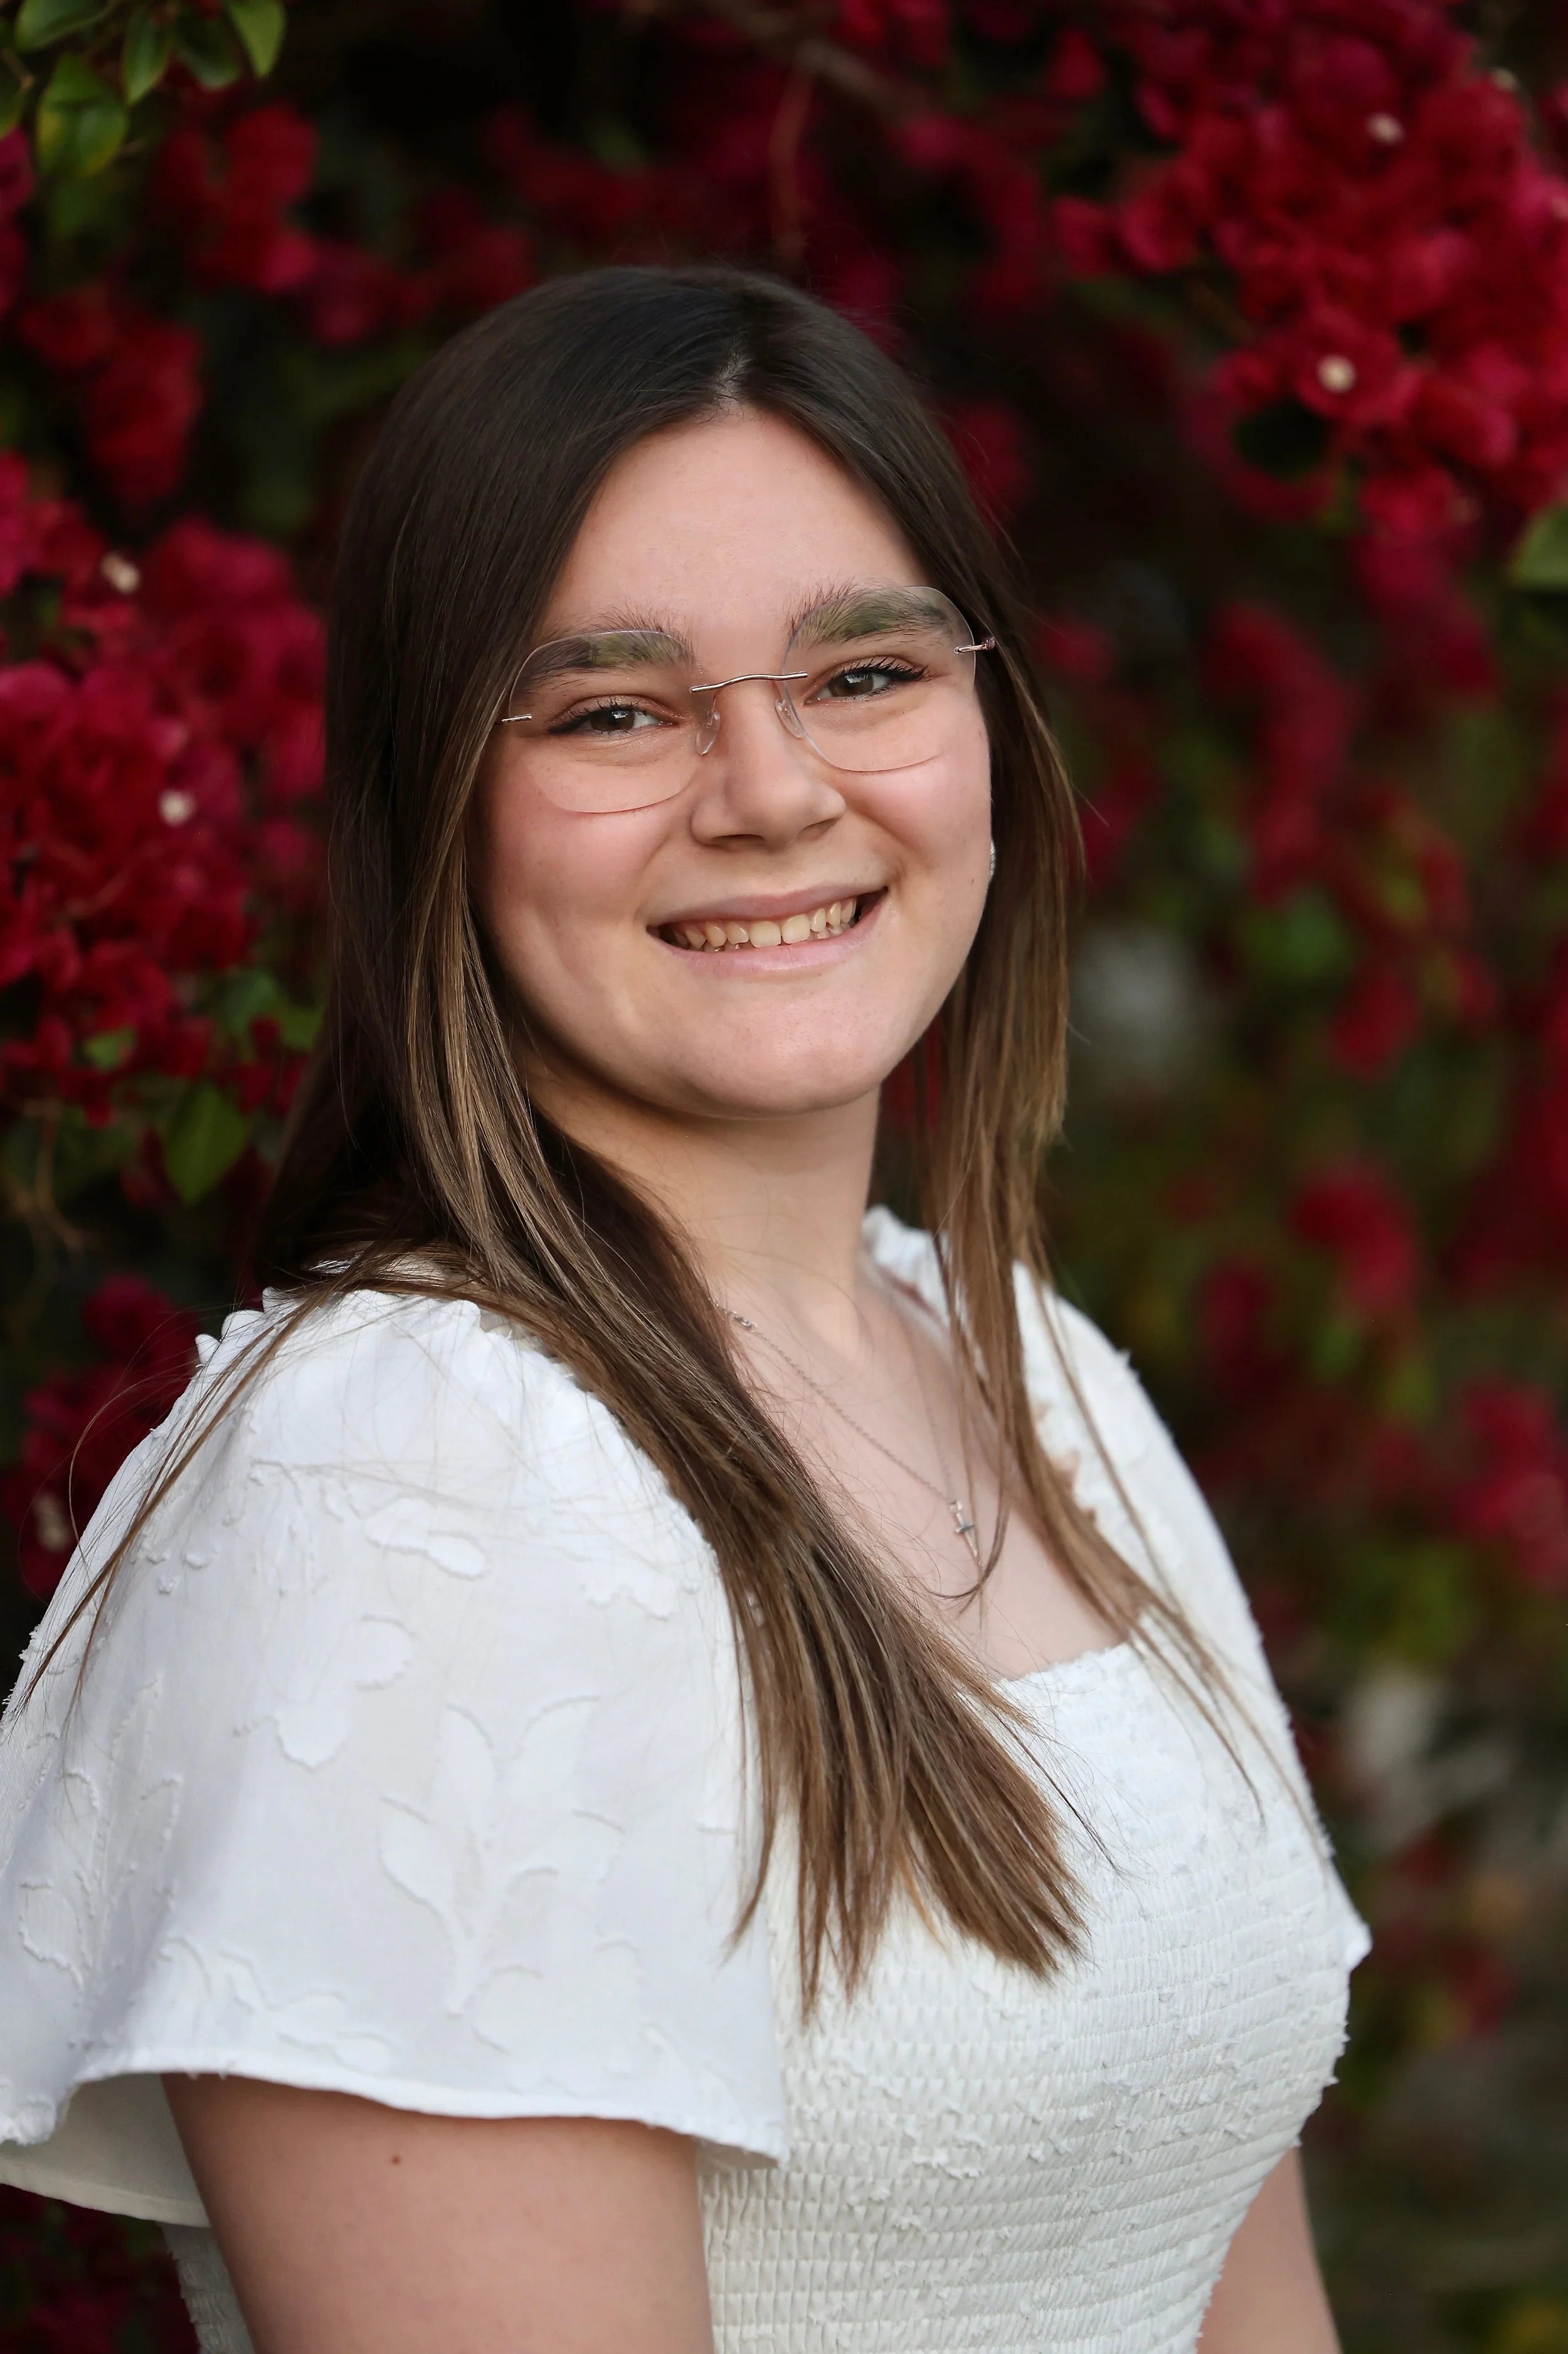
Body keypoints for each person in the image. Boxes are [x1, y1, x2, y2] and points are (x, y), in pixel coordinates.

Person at [0, 265, 1367, 2354]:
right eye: (614, 712)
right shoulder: (412, 1488)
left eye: (863, 673)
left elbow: (1235, 2282)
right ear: (436, 805)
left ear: (986, 728)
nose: (772, 791)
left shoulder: (1031, 1374)